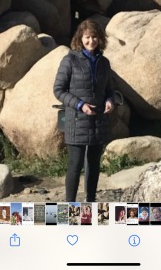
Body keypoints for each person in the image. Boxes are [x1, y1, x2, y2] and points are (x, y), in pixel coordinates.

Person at [54, 20, 114, 202]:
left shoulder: (104, 62)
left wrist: (110, 99)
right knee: (75, 164)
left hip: (98, 120)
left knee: (94, 164)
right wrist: (80, 105)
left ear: (100, 38)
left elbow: (110, 88)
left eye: (94, 37)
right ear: (80, 38)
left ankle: (90, 202)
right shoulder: (69, 60)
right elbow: (58, 90)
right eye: (87, 37)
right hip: (77, 120)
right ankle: (70, 206)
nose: (91, 41)